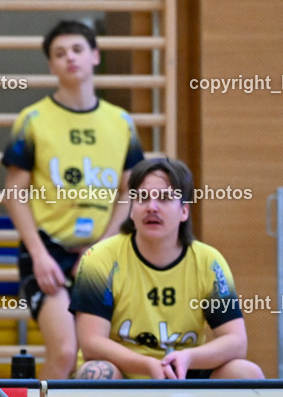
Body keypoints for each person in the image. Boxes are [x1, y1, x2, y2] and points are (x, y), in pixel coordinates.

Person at [1, 20, 145, 380]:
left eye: (78, 50)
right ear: (51, 65)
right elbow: (13, 194)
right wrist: (38, 254)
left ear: (95, 56)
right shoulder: (32, 120)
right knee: (65, 351)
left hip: (103, 251)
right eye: (60, 53)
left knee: (104, 355)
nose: (70, 59)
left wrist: (102, 247)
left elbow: (131, 191)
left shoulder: (121, 122)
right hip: (48, 251)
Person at [70, 158, 263, 380]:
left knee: (246, 373)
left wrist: (188, 357)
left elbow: (237, 342)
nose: (152, 206)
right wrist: (147, 365)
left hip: (183, 372)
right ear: (131, 210)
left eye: (164, 198)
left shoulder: (209, 262)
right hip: (124, 372)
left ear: (184, 211)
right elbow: (92, 343)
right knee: (95, 374)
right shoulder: (99, 258)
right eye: (142, 198)